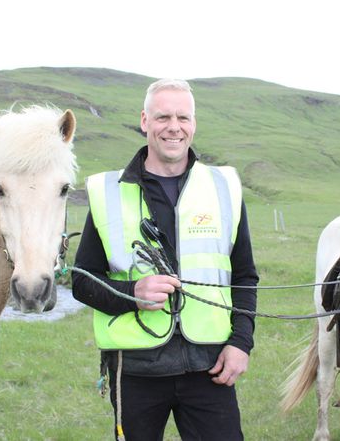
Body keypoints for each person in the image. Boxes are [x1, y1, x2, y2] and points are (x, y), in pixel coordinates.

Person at [72, 78, 259, 441]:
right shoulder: (107, 193)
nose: (174, 127)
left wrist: (241, 343)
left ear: (194, 123)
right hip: (136, 371)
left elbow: (245, 275)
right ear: (144, 121)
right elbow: (82, 280)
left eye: (183, 117)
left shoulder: (224, 187)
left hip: (210, 366)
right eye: (163, 117)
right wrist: (132, 292)